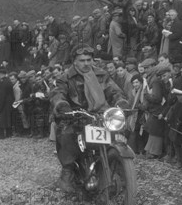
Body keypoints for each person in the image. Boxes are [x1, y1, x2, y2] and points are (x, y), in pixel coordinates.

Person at [49, 46, 127, 193]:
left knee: (120, 129)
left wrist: (121, 101)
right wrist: (62, 104)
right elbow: (57, 93)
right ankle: (68, 171)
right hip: (75, 115)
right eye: (82, 60)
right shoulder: (65, 78)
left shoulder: (102, 75)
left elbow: (114, 90)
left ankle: (120, 167)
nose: (86, 63)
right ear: (74, 61)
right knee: (66, 134)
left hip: (100, 115)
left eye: (88, 60)